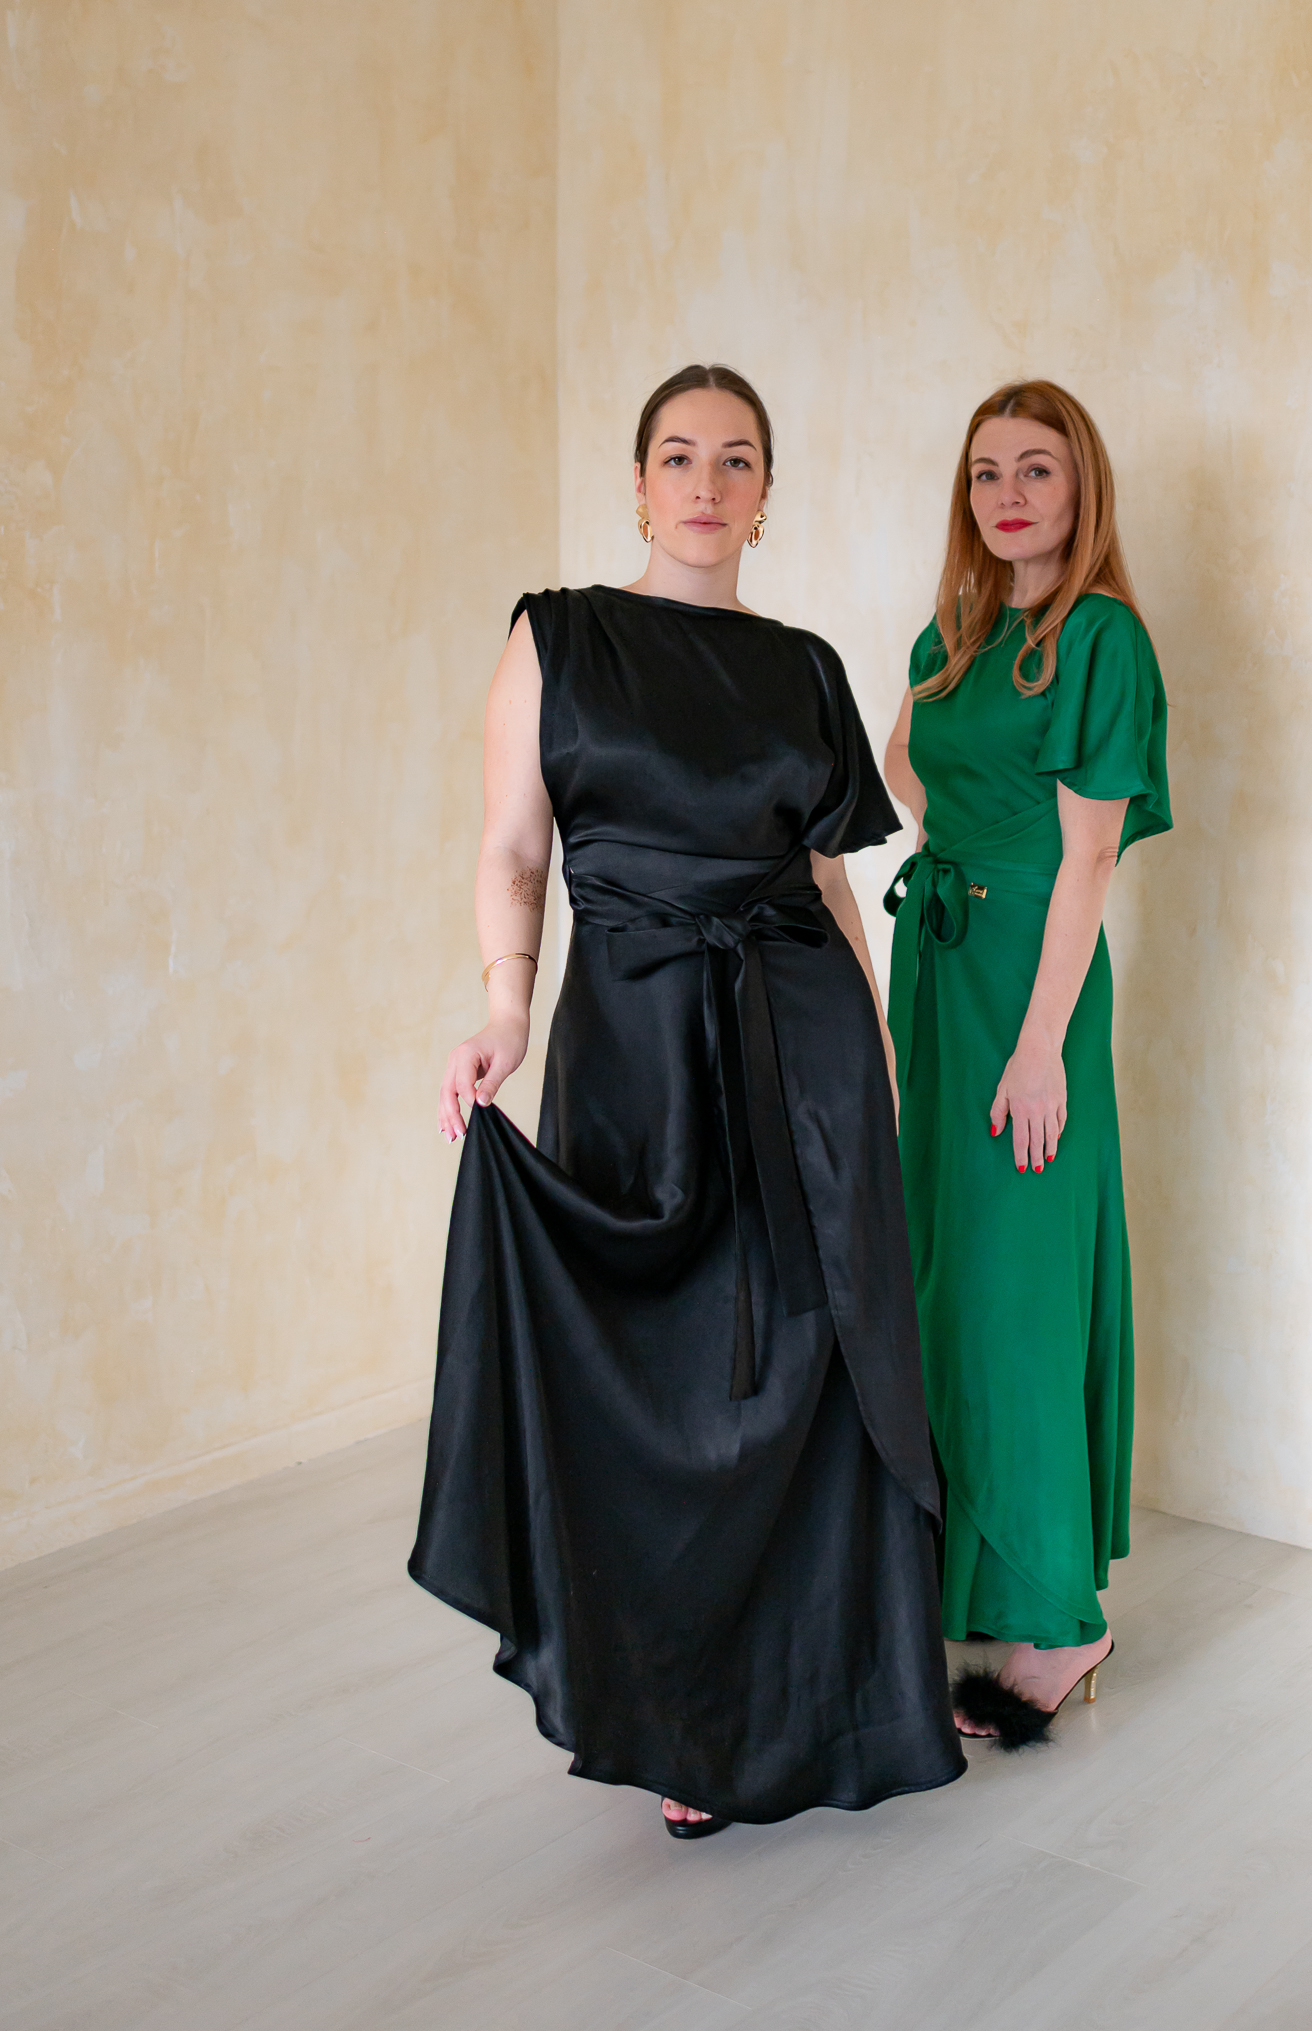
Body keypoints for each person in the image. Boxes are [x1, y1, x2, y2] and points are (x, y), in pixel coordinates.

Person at [411, 364, 964, 1837]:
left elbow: (827, 879)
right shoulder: (559, 636)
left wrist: (874, 1051)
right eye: (678, 455)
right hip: (635, 1038)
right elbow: (514, 849)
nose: (705, 483)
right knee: (656, 1369)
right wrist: (505, 1009)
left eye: (735, 459)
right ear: (639, 482)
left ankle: (812, 1695)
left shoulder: (803, 666)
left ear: (766, 494)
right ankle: (671, 1709)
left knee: (807, 1355)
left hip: (801, 1034)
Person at [883, 379, 1171, 1749]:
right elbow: (903, 766)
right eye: (986, 470)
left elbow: (1091, 856)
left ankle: (1059, 1615)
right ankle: (975, 1587)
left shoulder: (1099, 637)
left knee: (1019, 1288)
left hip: (1027, 986)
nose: (1007, 493)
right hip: (940, 963)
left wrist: (1042, 1042)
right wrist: (963, 847)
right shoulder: (952, 633)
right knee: (944, 1278)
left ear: (1081, 487)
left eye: (1036, 469)